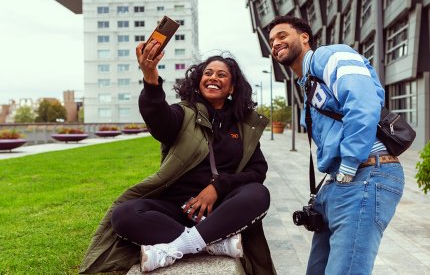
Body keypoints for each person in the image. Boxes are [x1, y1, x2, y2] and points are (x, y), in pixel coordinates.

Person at [79, 39, 277, 275]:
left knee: (257, 193)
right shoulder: (182, 113)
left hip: (221, 211)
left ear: (232, 87)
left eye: (222, 75)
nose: (213, 78)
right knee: (124, 214)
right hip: (175, 210)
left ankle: (180, 246)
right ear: (198, 81)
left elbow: (257, 171)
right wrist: (151, 78)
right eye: (208, 73)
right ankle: (212, 244)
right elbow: (158, 118)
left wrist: (218, 187)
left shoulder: (243, 126)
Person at [267, 15, 404, 274]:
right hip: (339, 184)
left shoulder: (331, 56)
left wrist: (349, 164)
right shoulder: (307, 82)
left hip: (366, 174)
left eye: (282, 35)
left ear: (304, 37)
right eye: (271, 40)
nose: (275, 43)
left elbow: (362, 105)